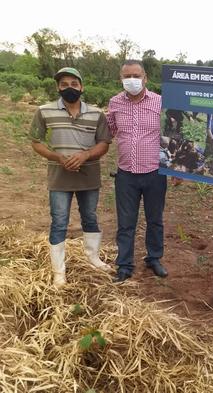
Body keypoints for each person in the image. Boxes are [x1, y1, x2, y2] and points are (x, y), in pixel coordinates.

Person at [30, 67, 112, 287]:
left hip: (89, 176)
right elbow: (36, 142)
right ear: (58, 87)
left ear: (82, 87)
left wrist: (85, 155)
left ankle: (93, 258)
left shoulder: (96, 114)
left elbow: (104, 144)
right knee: (59, 222)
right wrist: (58, 157)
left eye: (74, 84)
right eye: (64, 84)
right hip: (59, 176)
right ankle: (59, 271)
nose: (69, 88)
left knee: (90, 217)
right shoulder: (44, 111)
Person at [107, 60, 168, 282]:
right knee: (125, 223)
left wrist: (176, 169)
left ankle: (154, 258)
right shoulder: (114, 103)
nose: (131, 80)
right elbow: (110, 131)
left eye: (136, 75)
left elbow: (169, 137)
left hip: (155, 173)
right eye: (127, 76)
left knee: (155, 219)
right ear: (121, 79)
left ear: (145, 78)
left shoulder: (160, 103)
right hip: (125, 175)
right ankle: (124, 265)